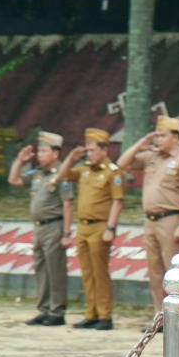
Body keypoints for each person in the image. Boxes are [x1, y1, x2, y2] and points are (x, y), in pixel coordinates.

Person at [120, 116, 179, 324]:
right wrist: (141, 144)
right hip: (151, 221)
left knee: (175, 274)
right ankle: (161, 317)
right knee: (156, 272)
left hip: (172, 220)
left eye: (163, 135)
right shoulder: (151, 157)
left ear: (175, 137)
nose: (159, 140)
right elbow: (122, 163)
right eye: (157, 135)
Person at [55, 128, 125, 330]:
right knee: (87, 272)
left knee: (100, 272)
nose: (89, 154)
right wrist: (71, 158)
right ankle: (91, 313)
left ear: (104, 150)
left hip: (100, 226)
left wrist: (110, 227)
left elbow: (117, 202)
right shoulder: (84, 169)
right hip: (83, 227)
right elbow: (62, 176)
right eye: (87, 151)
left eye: (92, 150)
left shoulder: (112, 172)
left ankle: (105, 315)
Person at [7, 131, 72, 327]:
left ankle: (57, 311)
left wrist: (67, 233)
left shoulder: (61, 174)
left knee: (55, 270)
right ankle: (43, 309)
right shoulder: (37, 174)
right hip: (39, 228)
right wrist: (20, 161)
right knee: (41, 269)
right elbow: (14, 180)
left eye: (44, 151)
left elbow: (68, 204)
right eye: (39, 151)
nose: (40, 155)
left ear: (56, 153)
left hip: (54, 225)